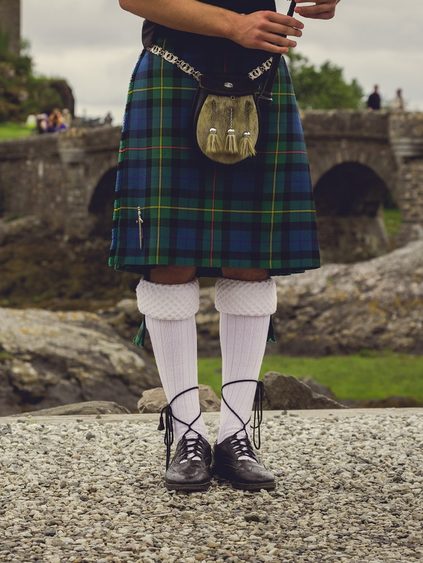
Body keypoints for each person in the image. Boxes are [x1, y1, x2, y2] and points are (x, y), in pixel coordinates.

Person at [109, 0, 341, 492]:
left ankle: (236, 433)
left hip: (259, 72)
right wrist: (234, 25)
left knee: (252, 262)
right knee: (168, 261)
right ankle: (187, 434)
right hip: (174, 66)